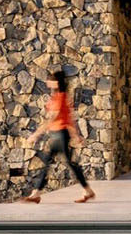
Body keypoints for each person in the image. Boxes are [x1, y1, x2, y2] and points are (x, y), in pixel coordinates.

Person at [21, 68, 95, 203]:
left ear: (57, 83)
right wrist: (76, 135)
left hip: (60, 135)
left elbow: (53, 119)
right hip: (56, 134)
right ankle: (36, 193)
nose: (48, 81)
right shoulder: (58, 96)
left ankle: (36, 194)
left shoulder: (60, 97)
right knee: (60, 163)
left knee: (61, 163)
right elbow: (69, 118)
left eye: (51, 80)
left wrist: (36, 134)